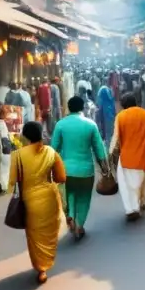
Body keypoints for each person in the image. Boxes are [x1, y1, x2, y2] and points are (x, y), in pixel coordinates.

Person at [9, 121, 67, 284]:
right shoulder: (50, 152)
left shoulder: (18, 156)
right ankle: (46, 262)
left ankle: (41, 268)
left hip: (30, 201)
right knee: (49, 235)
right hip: (50, 199)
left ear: (25, 137)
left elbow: (13, 182)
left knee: (34, 237)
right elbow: (61, 178)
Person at [52, 96, 108, 241]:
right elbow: (99, 150)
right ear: (82, 107)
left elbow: (53, 149)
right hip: (85, 170)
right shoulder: (90, 125)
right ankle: (79, 225)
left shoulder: (60, 125)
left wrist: (49, 169)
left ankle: (70, 213)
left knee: (69, 193)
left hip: (66, 170)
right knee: (84, 197)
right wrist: (104, 168)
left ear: (68, 107)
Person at [109, 93, 145, 222]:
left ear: (123, 105)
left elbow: (116, 137)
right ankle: (141, 202)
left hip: (127, 156)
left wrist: (110, 152)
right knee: (143, 181)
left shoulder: (121, 116)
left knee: (126, 184)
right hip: (144, 154)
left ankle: (131, 208)